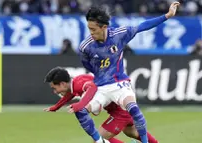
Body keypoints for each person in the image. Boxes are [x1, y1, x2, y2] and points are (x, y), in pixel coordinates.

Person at [77, 2, 180, 143]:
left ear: (104, 27)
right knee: (125, 131)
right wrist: (99, 74)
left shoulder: (119, 35)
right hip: (102, 88)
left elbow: (142, 27)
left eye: (94, 29)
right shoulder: (86, 47)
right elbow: (86, 63)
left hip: (120, 84)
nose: (91, 33)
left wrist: (167, 16)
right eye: (89, 29)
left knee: (130, 116)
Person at [44, 67, 158, 143]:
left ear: (63, 84)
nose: (55, 91)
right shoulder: (76, 82)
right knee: (132, 132)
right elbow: (70, 95)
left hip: (120, 112)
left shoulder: (80, 84)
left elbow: (92, 87)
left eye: (55, 88)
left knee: (98, 139)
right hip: (120, 108)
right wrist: (56, 107)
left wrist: (80, 104)